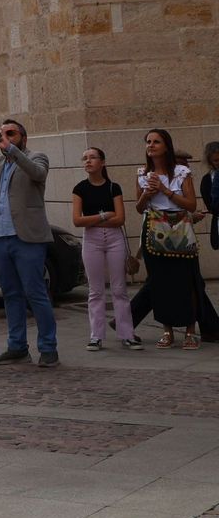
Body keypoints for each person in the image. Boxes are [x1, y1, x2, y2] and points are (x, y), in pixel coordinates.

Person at [0, 119, 57, 367]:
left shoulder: (37, 157)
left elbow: (38, 174)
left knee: (35, 293)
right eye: (1, 134)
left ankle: (48, 348)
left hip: (27, 237)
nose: (4, 137)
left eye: (10, 133)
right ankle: (17, 347)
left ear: (22, 138)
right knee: (10, 294)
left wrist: (12, 151)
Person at [136, 128, 200, 349]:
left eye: (156, 141)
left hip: (180, 228)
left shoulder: (181, 172)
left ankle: (190, 330)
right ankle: (167, 330)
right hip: (154, 230)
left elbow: (192, 205)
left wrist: (165, 190)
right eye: (148, 141)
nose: (151, 145)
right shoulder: (143, 174)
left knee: (185, 281)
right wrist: (147, 193)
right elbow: (138, 207)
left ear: (166, 146)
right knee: (159, 283)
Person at [71, 148, 139, 351]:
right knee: (95, 290)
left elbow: (120, 218)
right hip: (91, 240)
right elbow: (77, 221)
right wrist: (103, 216)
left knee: (119, 289)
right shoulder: (79, 188)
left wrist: (94, 221)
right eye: (85, 158)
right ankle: (96, 335)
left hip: (114, 239)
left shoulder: (113, 187)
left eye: (92, 157)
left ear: (103, 162)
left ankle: (127, 334)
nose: (88, 161)